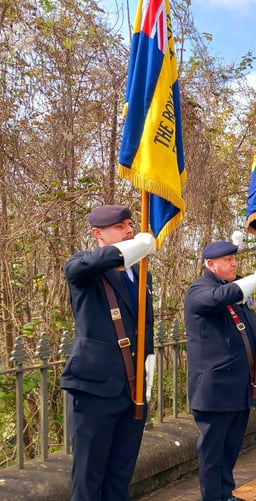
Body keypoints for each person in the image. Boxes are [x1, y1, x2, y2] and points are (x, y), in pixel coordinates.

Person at [61, 204, 156, 500]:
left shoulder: (141, 274)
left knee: (120, 475)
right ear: (97, 234)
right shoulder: (84, 266)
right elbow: (79, 268)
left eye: (130, 224)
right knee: (89, 478)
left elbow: (145, 328)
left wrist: (148, 369)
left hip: (132, 387)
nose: (129, 230)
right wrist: (128, 249)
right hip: (95, 389)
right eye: (120, 227)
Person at [183, 241, 256, 501]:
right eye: (228, 260)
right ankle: (212, 497)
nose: (234, 264)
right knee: (212, 451)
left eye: (235, 259)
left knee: (231, 447)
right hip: (215, 387)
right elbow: (216, 300)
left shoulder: (231, 288)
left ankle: (225, 493)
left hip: (238, 384)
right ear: (210, 264)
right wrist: (251, 282)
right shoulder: (199, 289)